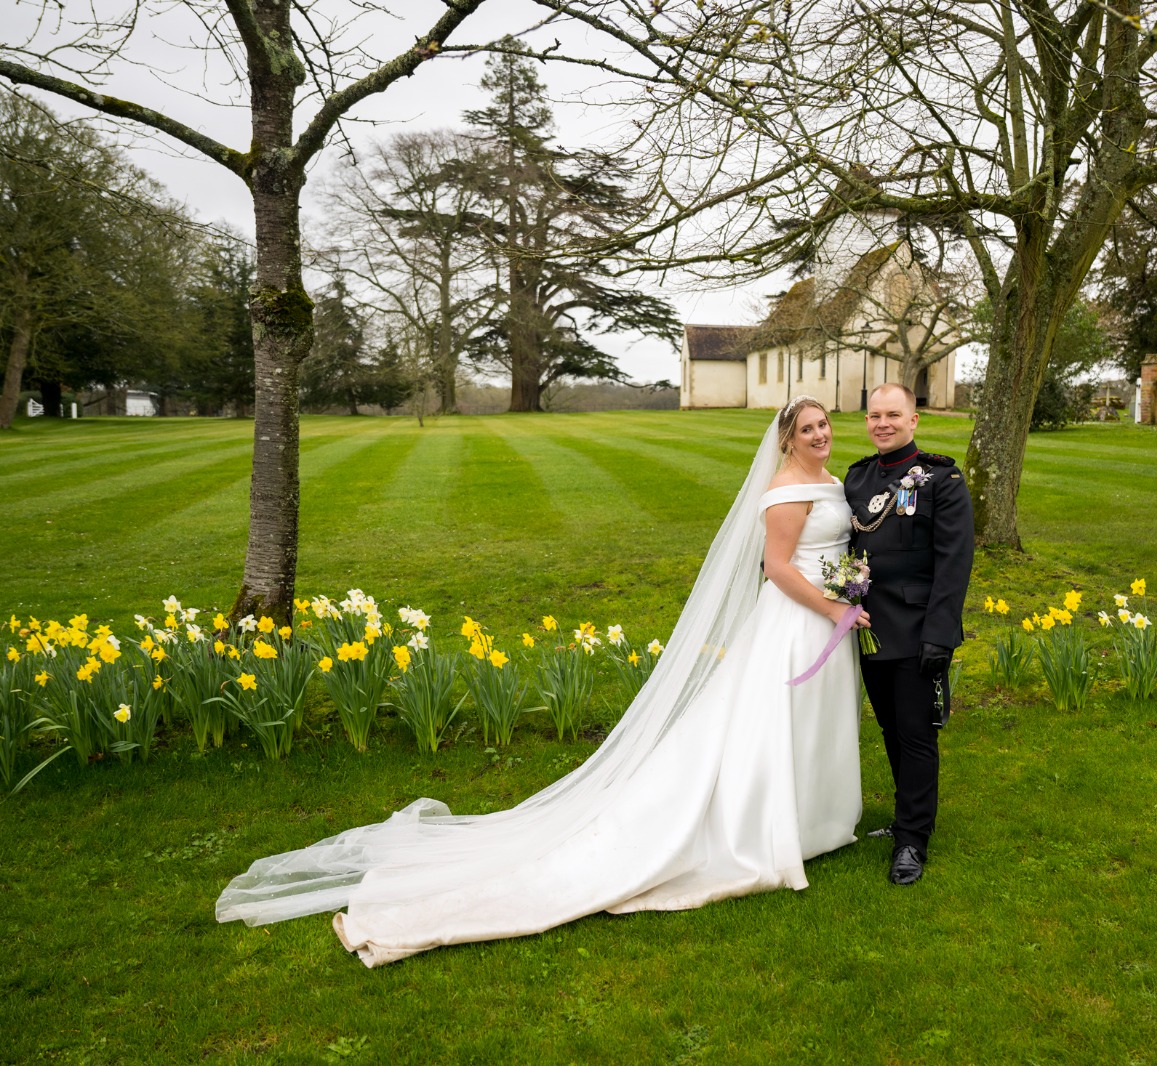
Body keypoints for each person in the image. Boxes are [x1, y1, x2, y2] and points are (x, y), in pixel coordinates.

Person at [216, 397, 865, 966]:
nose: (819, 435)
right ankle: (770, 824)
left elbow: (836, 545)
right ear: (787, 438)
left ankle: (816, 817)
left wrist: (851, 588)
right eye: (807, 428)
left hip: (827, 615)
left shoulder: (829, 480)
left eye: (824, 426)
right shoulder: (785, 490)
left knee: (810, 722)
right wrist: (837, 607)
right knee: (776, 721)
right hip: (799, 619)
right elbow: (777, 568)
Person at [843, 382, 974, 886]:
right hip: (868, 627)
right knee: (890, 731)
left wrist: (940, 635)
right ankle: (905, 819)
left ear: (914, 420)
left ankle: (913, 842)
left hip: (918, 629)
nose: (882, 424)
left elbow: (954, 562)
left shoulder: (942, 479)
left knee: (917, 736)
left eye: (893, 415)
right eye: (874, 416)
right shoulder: (857, 479)